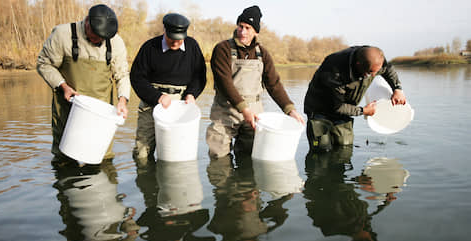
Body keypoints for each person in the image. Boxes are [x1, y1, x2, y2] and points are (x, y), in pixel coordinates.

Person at [37, 4, 130, 166]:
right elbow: (44, 64)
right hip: (68, 109)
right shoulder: (62, 34)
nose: (99, 40)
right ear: (87, 22)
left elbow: (122, 75)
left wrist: (123, 100)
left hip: (101, 116)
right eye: (96, 36)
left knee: (101, 159)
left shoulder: (116, 42)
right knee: (65, 158)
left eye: (103, 38)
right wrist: (63, 86)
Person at [206, 5, 305, 159]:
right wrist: (243, 109)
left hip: (255, 114)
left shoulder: (262, 53)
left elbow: (274, 84)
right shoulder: (222, 49)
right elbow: (225, 83)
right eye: (240, 26)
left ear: (256, 31)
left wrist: (289, 109)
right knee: (218, 157)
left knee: (249, 157)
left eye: (248, 28)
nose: (243, 31)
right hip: (225, 112)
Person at [130, 13, 207, 162]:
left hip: (181, 104)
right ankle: (146, 182)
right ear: (164, 30)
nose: (176, 43)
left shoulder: (192, 47)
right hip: (151, 102)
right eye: (172, 38)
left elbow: (199, 76)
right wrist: (156, 97)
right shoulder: (149, 47)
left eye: (179, 39)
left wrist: (192, 94)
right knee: (142, 153)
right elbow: (137, 78)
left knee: (177, 153)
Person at [304, 46, 407, 152]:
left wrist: (397, 88)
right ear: (358, 65)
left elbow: (388, 69)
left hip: (344, 111)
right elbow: (337, 107)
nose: (374, 75)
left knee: (344, 147)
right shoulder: (334, 73)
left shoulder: (373, 59)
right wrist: (363, 111)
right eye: (370, 73)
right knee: (321, 149)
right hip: (320, 111)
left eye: (376, 72)